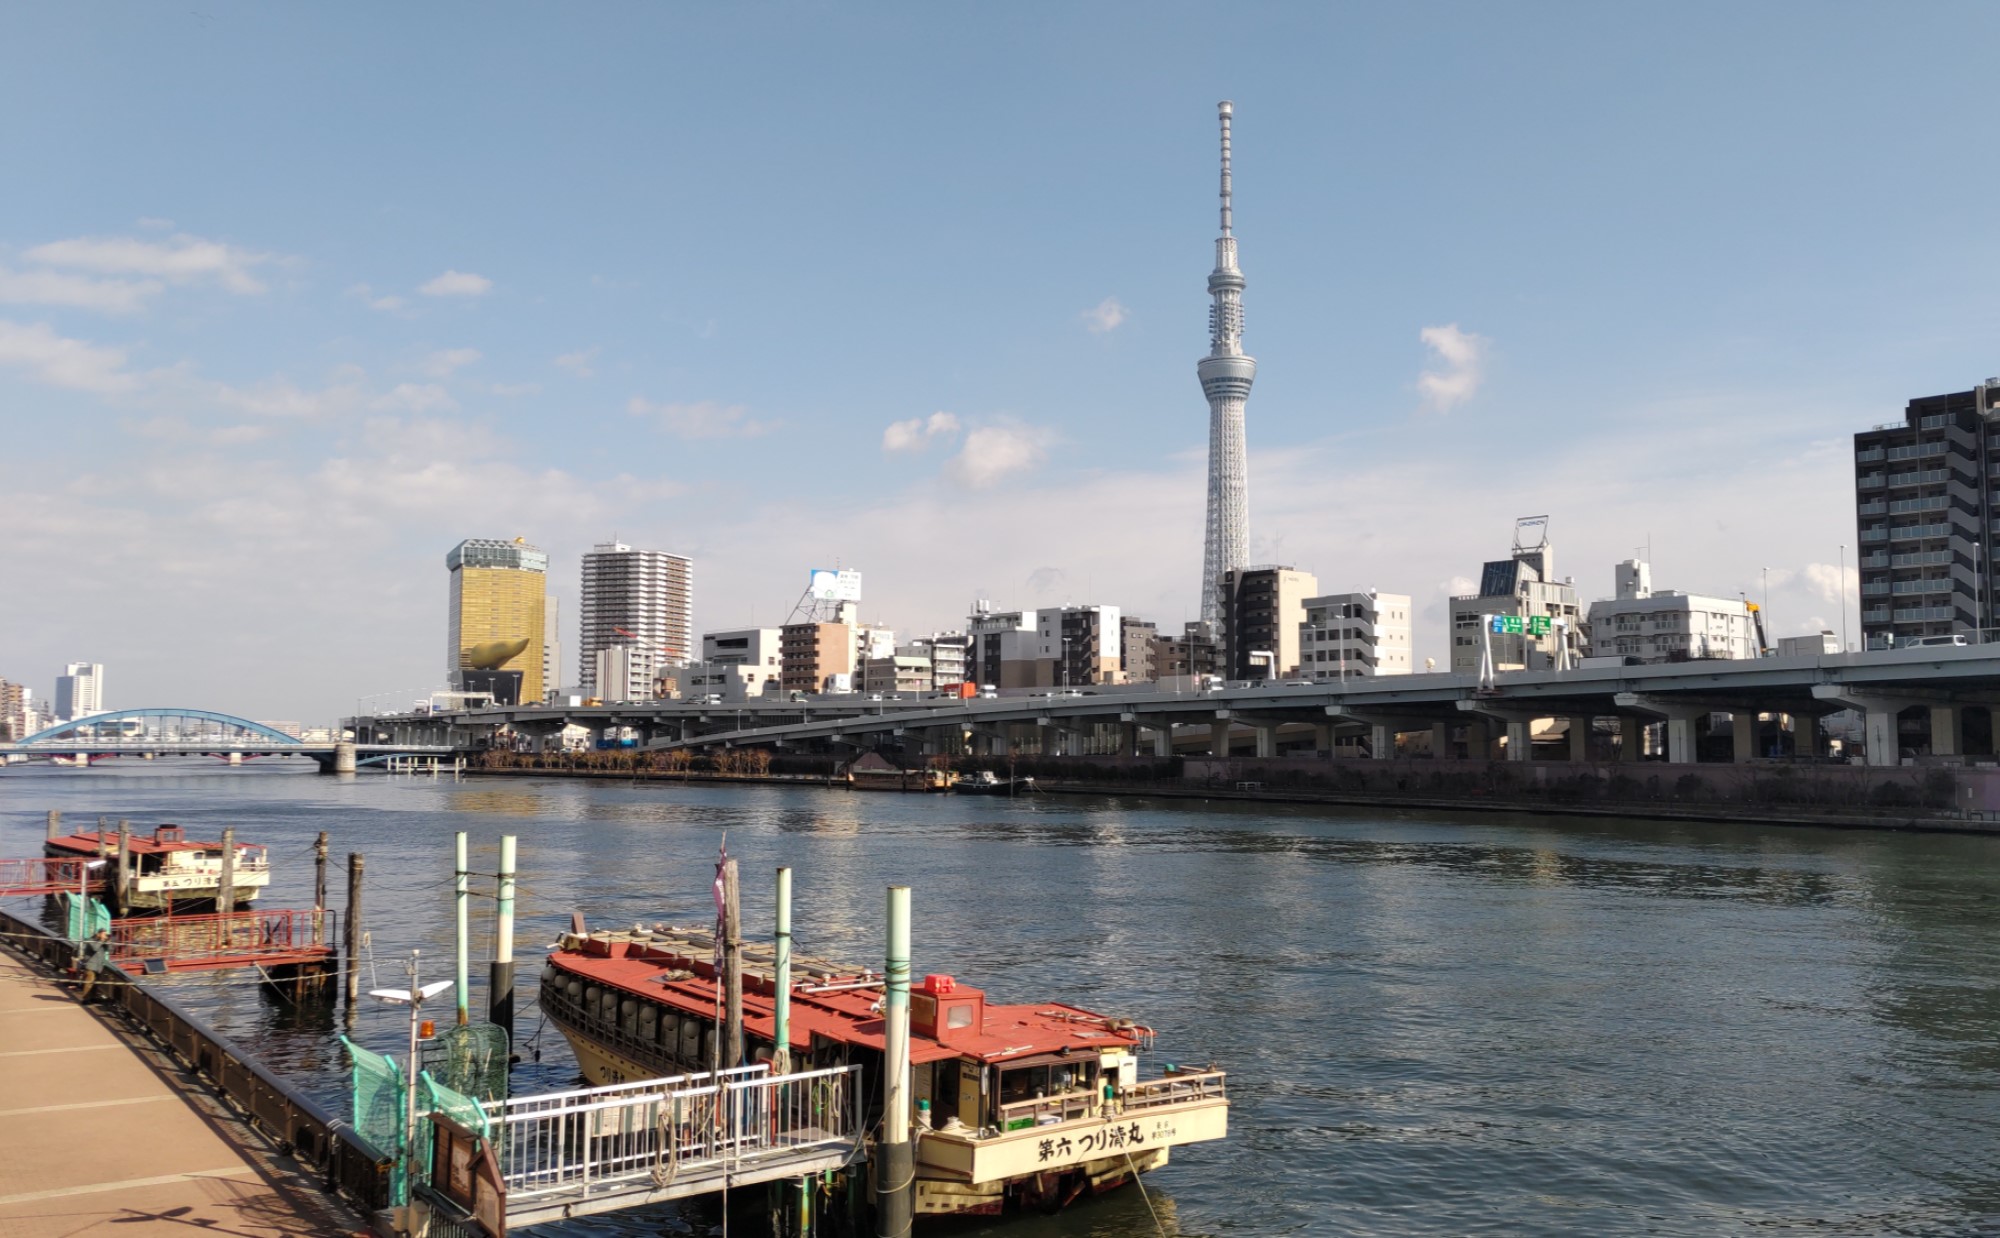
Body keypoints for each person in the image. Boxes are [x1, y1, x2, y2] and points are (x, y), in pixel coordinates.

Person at [77, 929, 112, 1003]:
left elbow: (110, 950)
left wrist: (108, 942)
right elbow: (95, 948)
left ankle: (93, 997)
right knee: (89, 982)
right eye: (103, 934)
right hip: (91, 965)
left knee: (96, 983)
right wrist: (101, 940)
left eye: (105, 934)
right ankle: (85, 998)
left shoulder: (102, 943)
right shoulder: (91, 940)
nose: (104, 936)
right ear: (98, 934)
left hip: (99, 966)